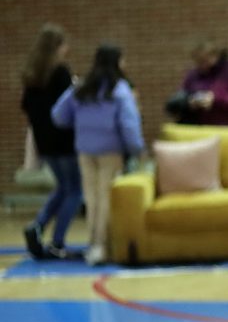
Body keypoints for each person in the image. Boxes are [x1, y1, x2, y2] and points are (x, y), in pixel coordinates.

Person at [51, 44, 145, 266]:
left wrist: (82, 122)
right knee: (104, 198)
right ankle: (101, 246)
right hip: (111, 152)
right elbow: (129, 125)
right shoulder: (119, 89)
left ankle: (93, 243)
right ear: (116, 62)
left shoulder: (81, 87)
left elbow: (58, 116)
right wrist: (137, 149)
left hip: (85, 150)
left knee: (91, 198)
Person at [20, 23, 83, 260]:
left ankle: (37, 226)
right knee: (75, 190)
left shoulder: (31, 74)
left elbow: (26, 106)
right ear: (57, 46)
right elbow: (69, 105)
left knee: (63, 187)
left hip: (44, 142)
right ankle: (57, 242)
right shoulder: (60, 72)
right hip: (65, 140)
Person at [166, 41, 228, 125]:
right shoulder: (192, 76)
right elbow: (181, 98)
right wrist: (190, 103)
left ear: (216, 57)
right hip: (201, 128)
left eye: (206, 60)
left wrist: (215, 99)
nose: (203, 66)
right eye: (199, 62)